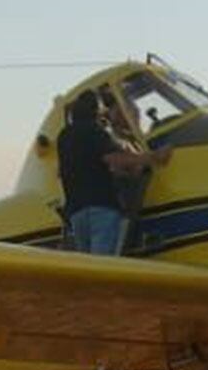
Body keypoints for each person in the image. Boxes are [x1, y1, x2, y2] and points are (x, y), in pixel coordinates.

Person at [57, 88, 169, 255]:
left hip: (76, 213)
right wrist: (153, 157)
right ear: (96, 110)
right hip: (101, 208)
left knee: (88, 266)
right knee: (102, 266)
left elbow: (81, 166)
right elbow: (113, 158)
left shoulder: (64, 136)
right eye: (102, 109)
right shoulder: (95, 132)